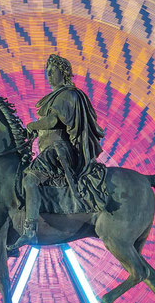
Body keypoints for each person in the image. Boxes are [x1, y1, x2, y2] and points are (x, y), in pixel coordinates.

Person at [8, 54, 105, 250]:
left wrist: (33, 124)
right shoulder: (59, 96)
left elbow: (53, 121)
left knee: (30, 179)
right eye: (47, 71)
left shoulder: (67, 95)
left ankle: (30, 231)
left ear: (64, 73)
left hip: (59, 149)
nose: (49, 75)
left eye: (53, 71)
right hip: (50, 149)